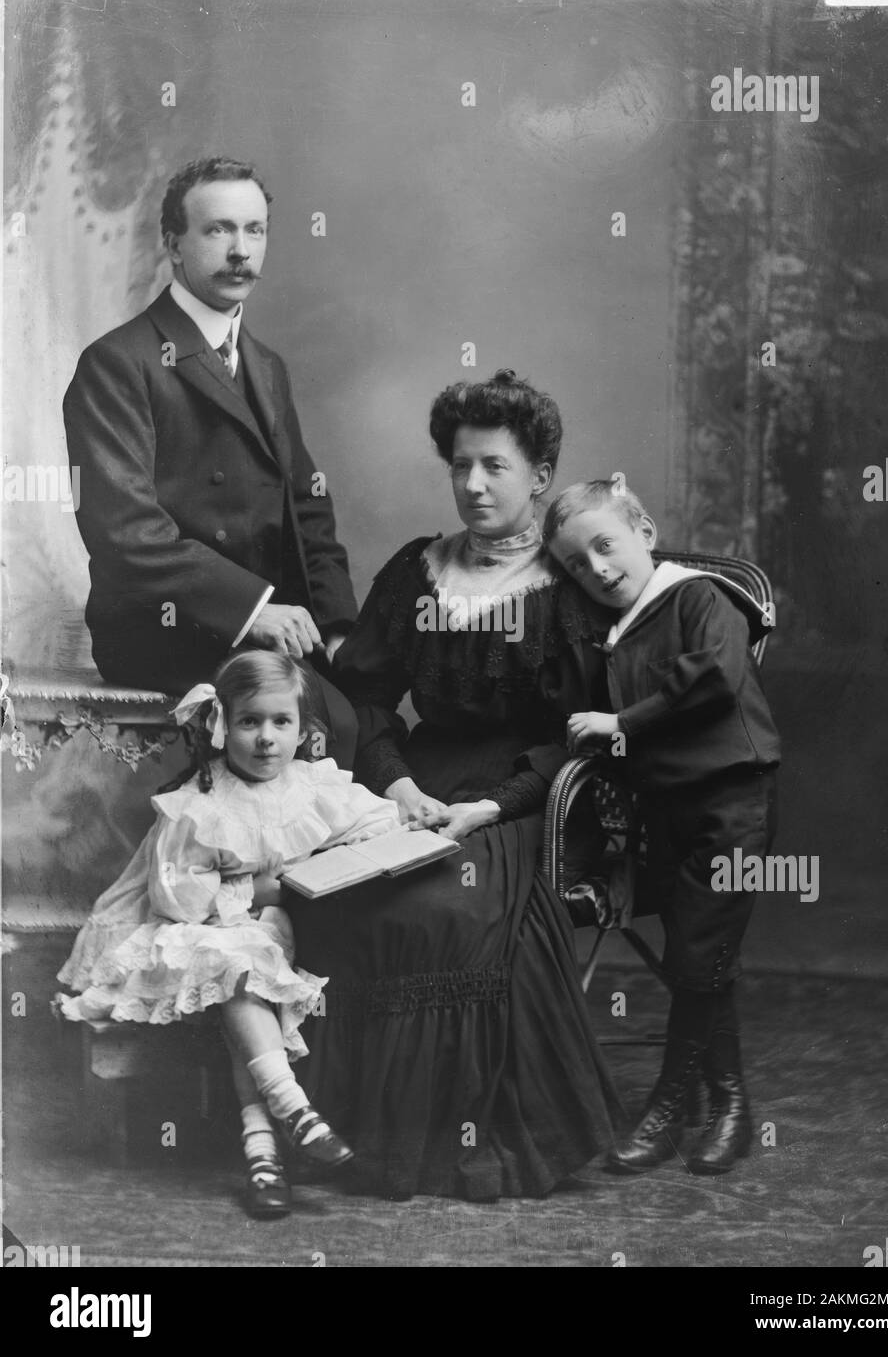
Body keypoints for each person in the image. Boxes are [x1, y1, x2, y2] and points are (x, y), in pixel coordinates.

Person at [288, 369, 623, 1200]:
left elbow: (580, 734)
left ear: (539, 477)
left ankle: (430, 1143)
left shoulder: (571, 584)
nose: (473, 484)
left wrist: (495, 805)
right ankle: (340, 1131)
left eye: (496, 467)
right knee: (329, 891)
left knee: (436, 906)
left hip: (527, 796)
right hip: (414, 783)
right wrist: (395, 782)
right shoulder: (417, 571)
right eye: (460, 466)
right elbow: (364, 692)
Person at [55, 650, 401, 1217]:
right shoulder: (201, 801)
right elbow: (176, 895)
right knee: (238, 969)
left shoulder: (310, 784)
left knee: (246, 970)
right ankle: (290, 1120)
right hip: (198, 929)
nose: (266, 739)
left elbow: (380, 821)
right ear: (222, 725)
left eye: (280, 723)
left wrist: (319, 866)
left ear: (303, 730)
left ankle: (266, 1154)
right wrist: (254, 892)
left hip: (271, 933)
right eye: (249, 722)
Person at [63, 155, 357, 764]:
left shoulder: (266, 365)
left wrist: (336, 625)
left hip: (264, 619)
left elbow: (306, 506)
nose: (240, 250)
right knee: (327, 724)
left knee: (369, 699)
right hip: (163, 629)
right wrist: (252, 610)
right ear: (173, 244)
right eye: (218, 229)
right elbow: (127, 533)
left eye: (255, 231)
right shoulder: (119, 363)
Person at [542, 478, 781, 1175]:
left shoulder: (699, 597)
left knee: (695, 957)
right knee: (701, 959)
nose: (598, 569)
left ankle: (668, 1108)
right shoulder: (618, 634)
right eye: (577, 565)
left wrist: (622, 723)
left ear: (644, 531)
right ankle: (732, 1108)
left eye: (605, 546)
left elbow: (713, 675)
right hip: (673, 811)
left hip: (733, 800)